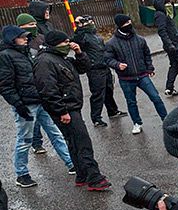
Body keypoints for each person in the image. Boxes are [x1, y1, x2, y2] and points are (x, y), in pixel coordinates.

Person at [32, 31, 110, 191]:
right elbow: (48, 90)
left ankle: (82, 175)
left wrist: (79, 53)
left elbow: (84, 68)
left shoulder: (60, 58)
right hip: (65, 109)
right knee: (82, 142)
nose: (68, 44)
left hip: (71, 107)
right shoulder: (45, 62)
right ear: (55, 43)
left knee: (74, 142)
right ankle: (94, 178)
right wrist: (61, 111)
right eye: (65, 42)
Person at [0, 25, 75, 188]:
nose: (26, 39)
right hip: (26, 106)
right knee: (25, 140)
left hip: (41, 102)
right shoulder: (6, 56)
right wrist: (19, 105)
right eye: (23, 36)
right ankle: (22, 174)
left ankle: (71, 163)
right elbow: (5, 85)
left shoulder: (27, 53)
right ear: (12, 39)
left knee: (55, 133)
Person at [105, 14, 169, 134]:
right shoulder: (112, 43)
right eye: (126, 23)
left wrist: (149, 68)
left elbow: (147, 54)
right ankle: (137, 123)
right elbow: (108, 59)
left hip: (142, 75)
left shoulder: (139, 39)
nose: (129, 25)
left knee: (155, 97)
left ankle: (165, 119)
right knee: (131, 102)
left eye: (130, 22)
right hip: (126, 78)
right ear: (119, 26)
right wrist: (117, 64)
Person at [72, 16, 124, 127]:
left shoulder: (96, 35)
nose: (91, 23)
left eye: (91, 21)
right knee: (98, 94)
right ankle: (96, 118)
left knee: (109, 90)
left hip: (104, 67)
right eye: (88, 22)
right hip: (94, 69)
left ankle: (113, 111)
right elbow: (76, 39)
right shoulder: (83, 36)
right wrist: (79, 27)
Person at [16, 13, 46, 155]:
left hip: (43, 81)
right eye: (29, 25)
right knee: (33, 122)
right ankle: (36, 143)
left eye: (34, 24)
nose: (33, 27)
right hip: (29, 87)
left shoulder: (41, 38)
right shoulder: (22, 42)